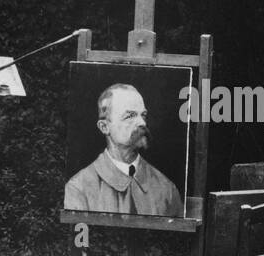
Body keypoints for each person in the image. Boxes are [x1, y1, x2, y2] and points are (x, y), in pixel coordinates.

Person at [64, 83, 183, 216]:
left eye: (143, 115)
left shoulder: (167, 190)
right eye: (130, 116)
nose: (142, 123)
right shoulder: (79, 189)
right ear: (104, 127)